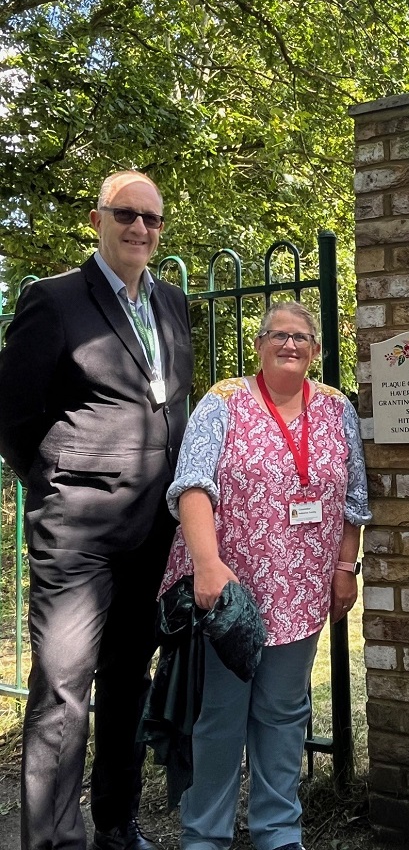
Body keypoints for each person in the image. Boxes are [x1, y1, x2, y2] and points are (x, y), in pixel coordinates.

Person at [0, 170, 194, 850]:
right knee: (61, 688)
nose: (140, 228)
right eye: (126, 214)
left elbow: (174, 406)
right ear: (98, 219)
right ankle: (54, 841)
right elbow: (16, 415)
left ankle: (116, 821)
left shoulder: (171, 302)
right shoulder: (52, 302)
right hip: (76, 533)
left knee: (126, 685)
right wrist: (58, 483)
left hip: (153, 533)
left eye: (152, 218)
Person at [159, 300, 370, 850]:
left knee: (283, 715)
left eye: (301, 337)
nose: (290, 344)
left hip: (302, 591)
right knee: (220, 719)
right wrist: (207, 567)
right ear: (259, 344)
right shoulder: (223, 401)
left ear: (317, 350)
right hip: (229, 594)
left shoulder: (336, 408)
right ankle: (205, 834)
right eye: (278, 334)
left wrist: (345, 568)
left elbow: (354, 500)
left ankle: (279, 831)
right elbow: (192, 485)